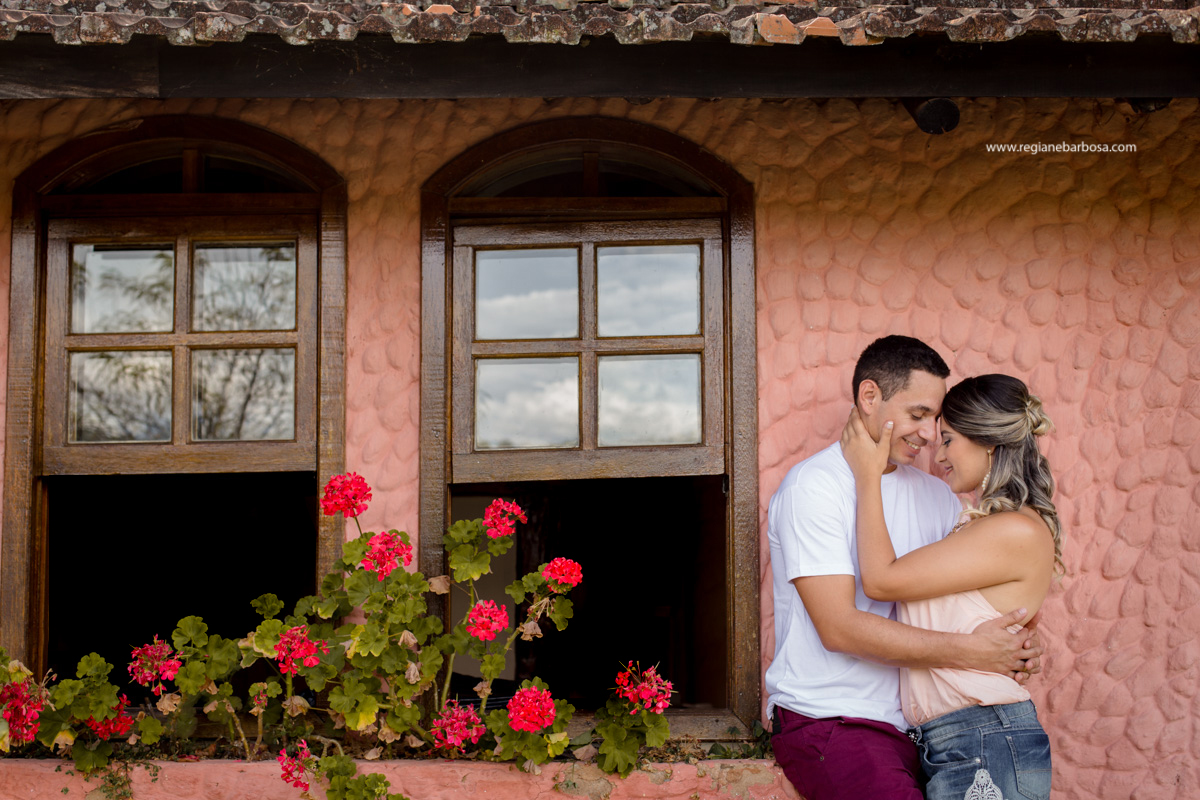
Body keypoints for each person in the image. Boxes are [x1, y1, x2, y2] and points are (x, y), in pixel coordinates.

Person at [766, 336, 1042, 800]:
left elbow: (962, 604)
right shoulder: (814, 488)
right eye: (917, 415)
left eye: (936, 420)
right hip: (834, 718)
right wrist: (974, 652)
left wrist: (1014, 647)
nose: (930, 434)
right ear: (869, 397)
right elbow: (839, 628)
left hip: (928, 730)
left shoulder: (938, 495)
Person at [840, 373, 1059, 800]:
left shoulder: (1013, 529)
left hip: (984, 738)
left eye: (950, 440)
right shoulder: (984, 525)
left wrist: (868, 477)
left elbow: (882, 580)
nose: (939, 456)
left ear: (989, 443)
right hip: (959, 739)